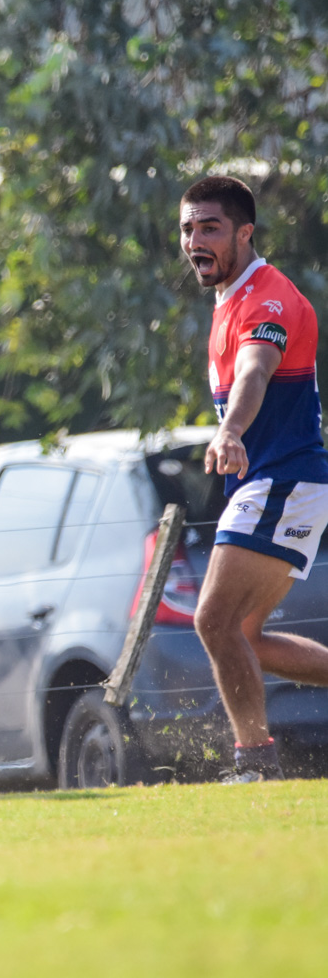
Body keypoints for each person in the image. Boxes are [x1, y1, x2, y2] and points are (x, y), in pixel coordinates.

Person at [180, 174, 328, 783]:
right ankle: (255, 761)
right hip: (276, 483)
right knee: (243, 634)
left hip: (284, 480)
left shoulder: (267, 298)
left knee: (213, 621)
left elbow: (255, 372)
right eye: (188, 228)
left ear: (245, 232)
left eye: (210, 227)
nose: (195, 241)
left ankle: (254, 764)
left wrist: (231, 430)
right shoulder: (229, 299)